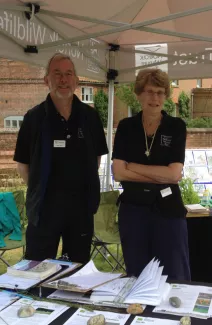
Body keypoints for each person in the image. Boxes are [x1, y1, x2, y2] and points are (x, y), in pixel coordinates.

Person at [14, 53, 108, 263]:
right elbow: (23, 165)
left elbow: (96, 160)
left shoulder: (90, 117)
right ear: (46, 80)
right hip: (44, 210)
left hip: (81, 210)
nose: (63, 80)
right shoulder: (33, 118)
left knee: (77, 270)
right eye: (57, 74)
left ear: (76, 80)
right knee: (37, 269)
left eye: (68, 74)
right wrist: (42, 190)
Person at [112, 68, 190, 280]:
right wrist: (161, 174)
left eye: (159, 92)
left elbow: (174, 174)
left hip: (168, 211)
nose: (154, 98)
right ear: (139, 94)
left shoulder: (176, 127)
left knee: (174, 274)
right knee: (137, 275)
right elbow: (118, 172)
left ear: (166, 96)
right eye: (149, 91)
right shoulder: (126, 127)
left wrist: (133, 167)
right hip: (133, 211)